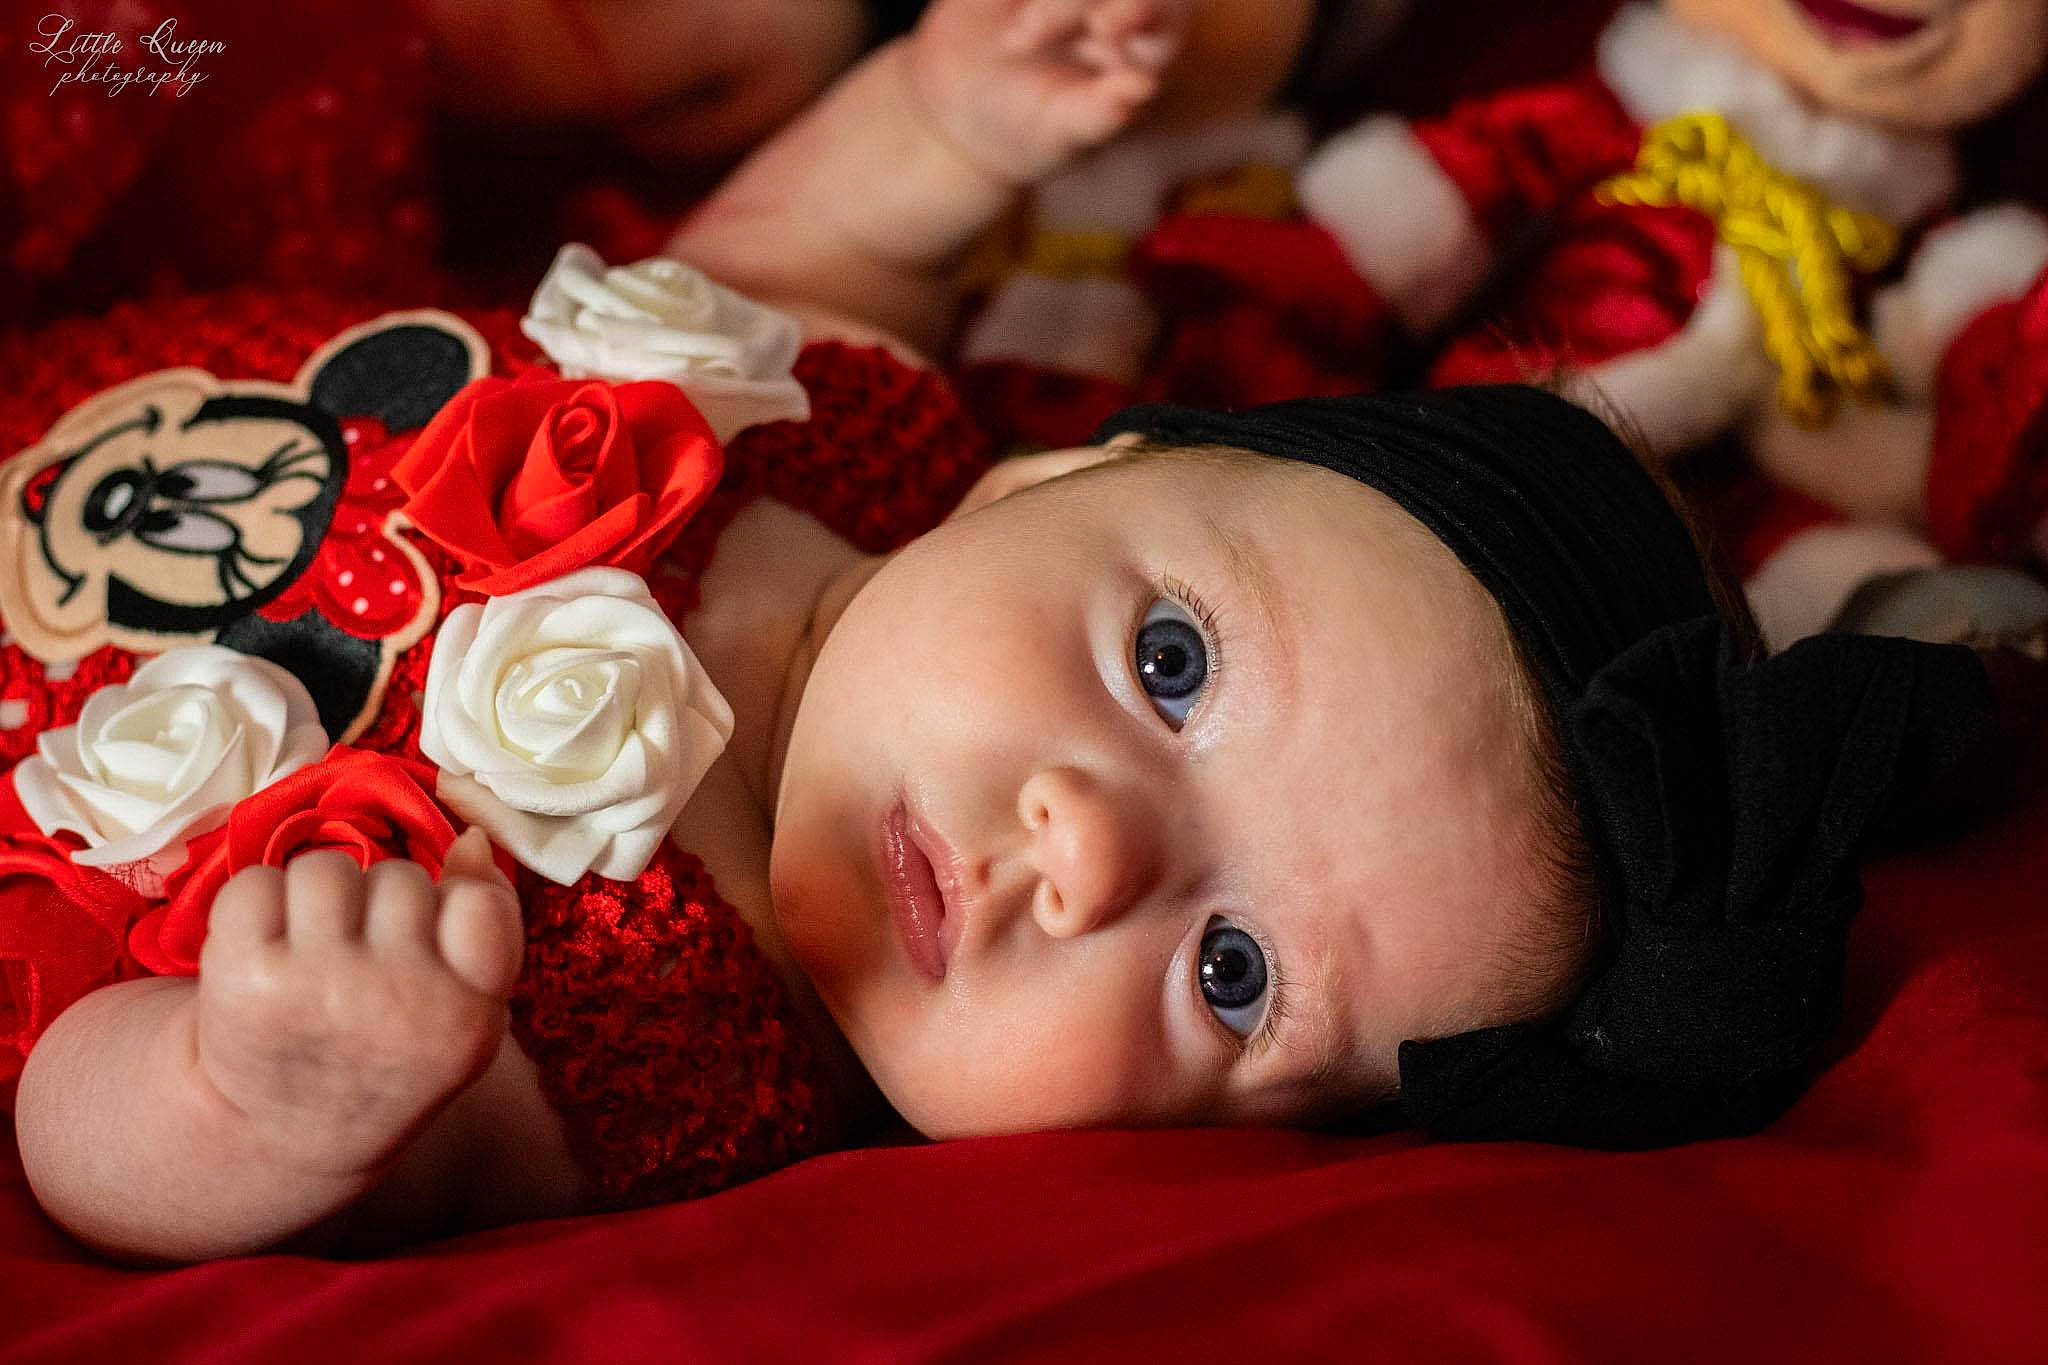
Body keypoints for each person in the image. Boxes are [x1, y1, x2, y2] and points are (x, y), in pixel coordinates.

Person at [6, 0, 2029, 1265]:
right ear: (1061, 477)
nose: (1092, 851)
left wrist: (251, 1100)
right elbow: (779, 251)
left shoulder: (643, 1051)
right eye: (1170, 667)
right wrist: (946, 119)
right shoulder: (859, 431)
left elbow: (75, 1114)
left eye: (1234, 975)